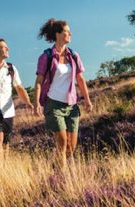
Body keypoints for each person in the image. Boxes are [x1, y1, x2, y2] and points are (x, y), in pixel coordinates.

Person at [33, 19, 93, 168]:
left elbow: (80, 78)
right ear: (58, 34)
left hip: (72, 106)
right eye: (67, 31)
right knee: (62, 141)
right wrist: (36, 103)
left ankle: (57, 168)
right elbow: (39, 81)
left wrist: (87, 99)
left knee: (71, 146)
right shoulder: (46, 56)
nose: (70, 33)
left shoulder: (73, 55)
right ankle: (63, 175)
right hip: (54, 104)